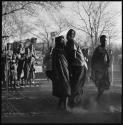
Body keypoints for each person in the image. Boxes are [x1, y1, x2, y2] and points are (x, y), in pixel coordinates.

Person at [65, 29, 87, 107]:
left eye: (71, 34)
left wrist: (69, 67)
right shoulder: (69, 42)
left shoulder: (71, 42)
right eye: (68, 34)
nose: (69, 35)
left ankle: (75, 103)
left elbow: (73, 56)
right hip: (78, 66)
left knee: (75, 84)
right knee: (75, 84)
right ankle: (76, 102)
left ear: (73, 36)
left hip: (78, 66)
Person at [52, 36, 71, 111]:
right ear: (58, 42)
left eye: (63, 41)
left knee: (64, 90)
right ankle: (65, 108)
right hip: (59, 73)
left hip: (65, 71)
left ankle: (59, 107)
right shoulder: (55, 51)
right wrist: (55, 74)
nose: (63, 42)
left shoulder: (64, 50)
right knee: (65, 90)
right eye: (61, 41)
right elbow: (54, 63)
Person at [91, 35, 111, 103]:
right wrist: (93, 71)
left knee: (104, 87)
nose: (105, 42)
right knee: (101, 87)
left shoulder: (105, 49)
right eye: (103, 40)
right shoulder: (98, 49)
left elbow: (108, 59)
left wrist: (108, 63)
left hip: (105, 71)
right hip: (99, 72)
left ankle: (97, 100)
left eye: (106, 40)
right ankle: (96, 101)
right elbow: (93, 60)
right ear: (101, 41)